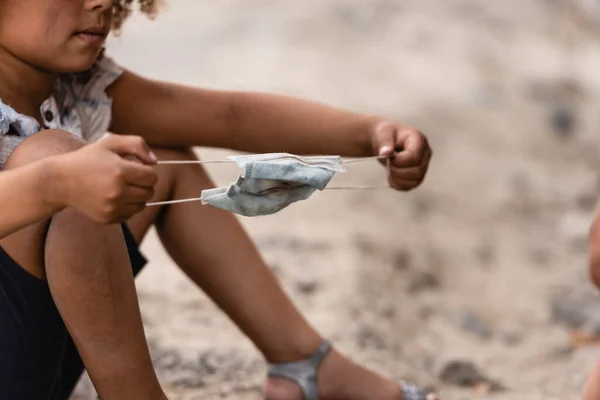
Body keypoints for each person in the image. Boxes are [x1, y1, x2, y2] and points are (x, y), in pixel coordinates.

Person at [0, 1, 435, 399]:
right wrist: (56, 181)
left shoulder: (76, 85)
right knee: (63, 163)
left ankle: (306, 364)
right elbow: (58, 174)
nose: (101, 3)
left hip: (32, 365)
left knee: (158, 159)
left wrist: (372, 134)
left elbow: (228, 116)